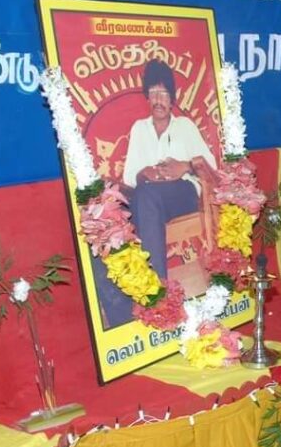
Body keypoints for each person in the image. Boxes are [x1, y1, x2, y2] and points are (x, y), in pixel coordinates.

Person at [92, 59, 217, 328]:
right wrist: (145, 172)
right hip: (147, 198)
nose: (159, 100)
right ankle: (119, 312)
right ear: (147, 97)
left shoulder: (185, 126)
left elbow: (211, 167)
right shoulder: (140, 128)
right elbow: (130, 178)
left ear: (172, 98)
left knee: (146, 198)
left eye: (164, 93)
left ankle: (158, 295)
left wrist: (184, 166)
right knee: (103, 219)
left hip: (183, 193)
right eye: (153, 93)